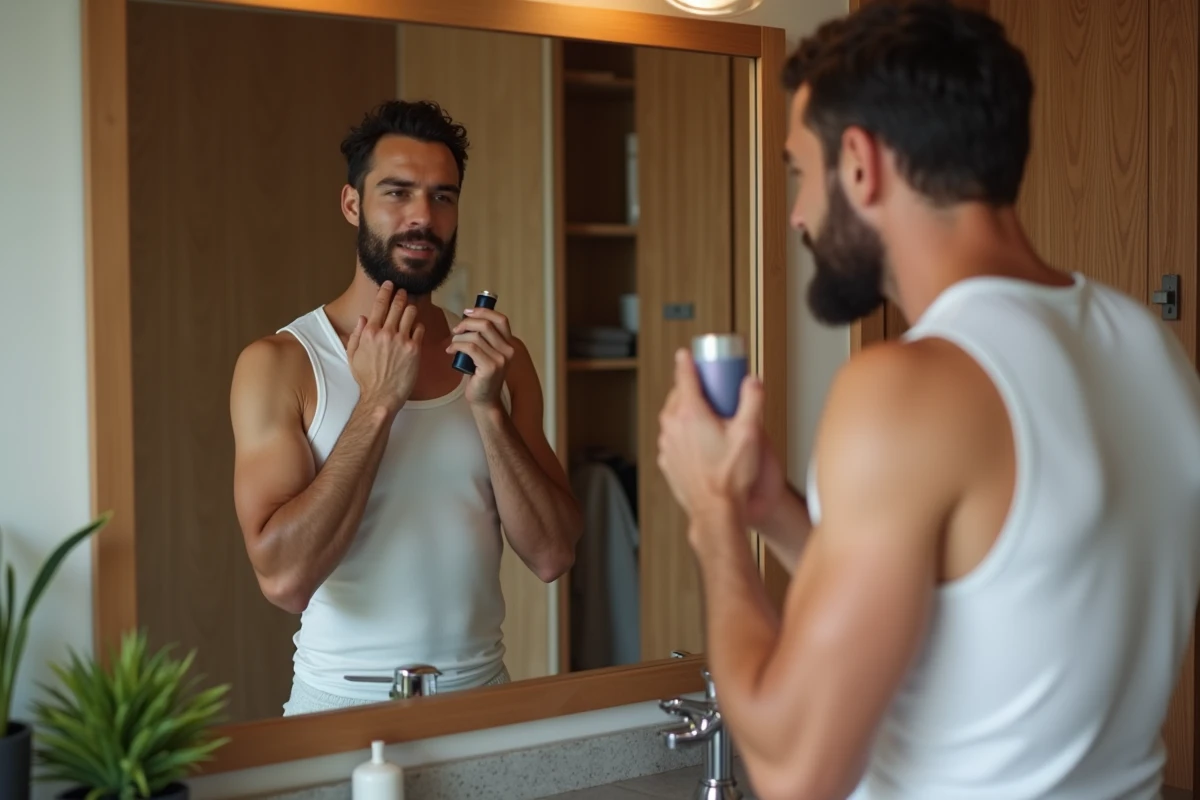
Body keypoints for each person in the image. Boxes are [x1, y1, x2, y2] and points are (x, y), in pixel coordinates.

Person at [656, 1, 1200, 798]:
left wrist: (711, 520)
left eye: (800, 172)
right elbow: (983, 605)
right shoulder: (1145, 346)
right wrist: (772, 513)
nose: (799, 214)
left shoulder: (906, 389)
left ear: (860, 164)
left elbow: (794, 773)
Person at [229, 99, 582, 715]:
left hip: (481, 701)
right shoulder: (281, 363)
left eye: (443, 197)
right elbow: (284, 581)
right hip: (338, 707)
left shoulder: (499, 358)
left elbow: (553, 554)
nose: (423, 215)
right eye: (398, 192)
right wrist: (377, 404)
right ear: (351, 204)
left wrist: (488, 413)